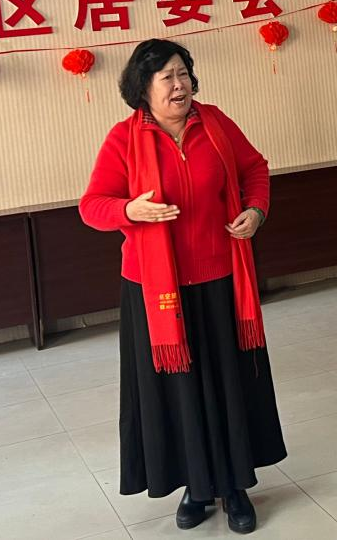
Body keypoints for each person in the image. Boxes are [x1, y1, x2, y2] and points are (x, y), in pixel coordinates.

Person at [80, 39, 284, 534]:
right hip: (155, 290)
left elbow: (254, 169)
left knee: (227, 387)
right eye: (167, 77)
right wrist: (130, 209)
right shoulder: (123, 139)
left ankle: (234, 486)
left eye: (183, 74)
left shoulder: (215, 123)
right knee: (180, 393)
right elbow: (93, 206)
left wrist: (256, 210)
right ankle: (196, 486)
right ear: (143, 88)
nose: (179, 85)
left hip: (219, 279)